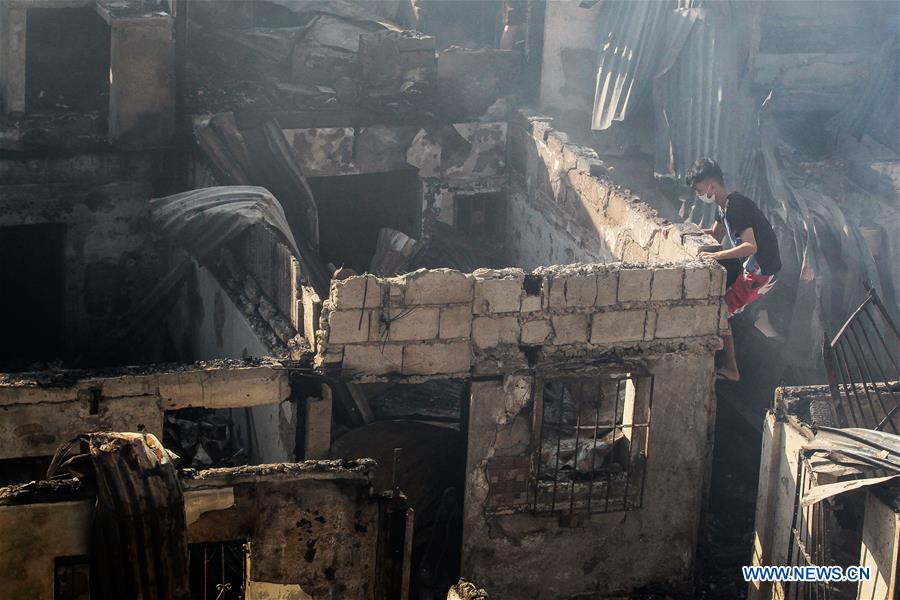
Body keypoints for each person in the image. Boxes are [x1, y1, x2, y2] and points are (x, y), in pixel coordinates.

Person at [685, 157, 782, 381]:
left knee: (721, 311)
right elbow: (715, 235)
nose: (698, 195)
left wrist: (716, 255)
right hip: (755, 265)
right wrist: (683, 232)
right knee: (723, 303)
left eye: (699, 190)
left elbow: (750, 246)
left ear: (711, 186)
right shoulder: (724, 206)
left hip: (763, 273)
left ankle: (732, 369)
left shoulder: (735, 208)